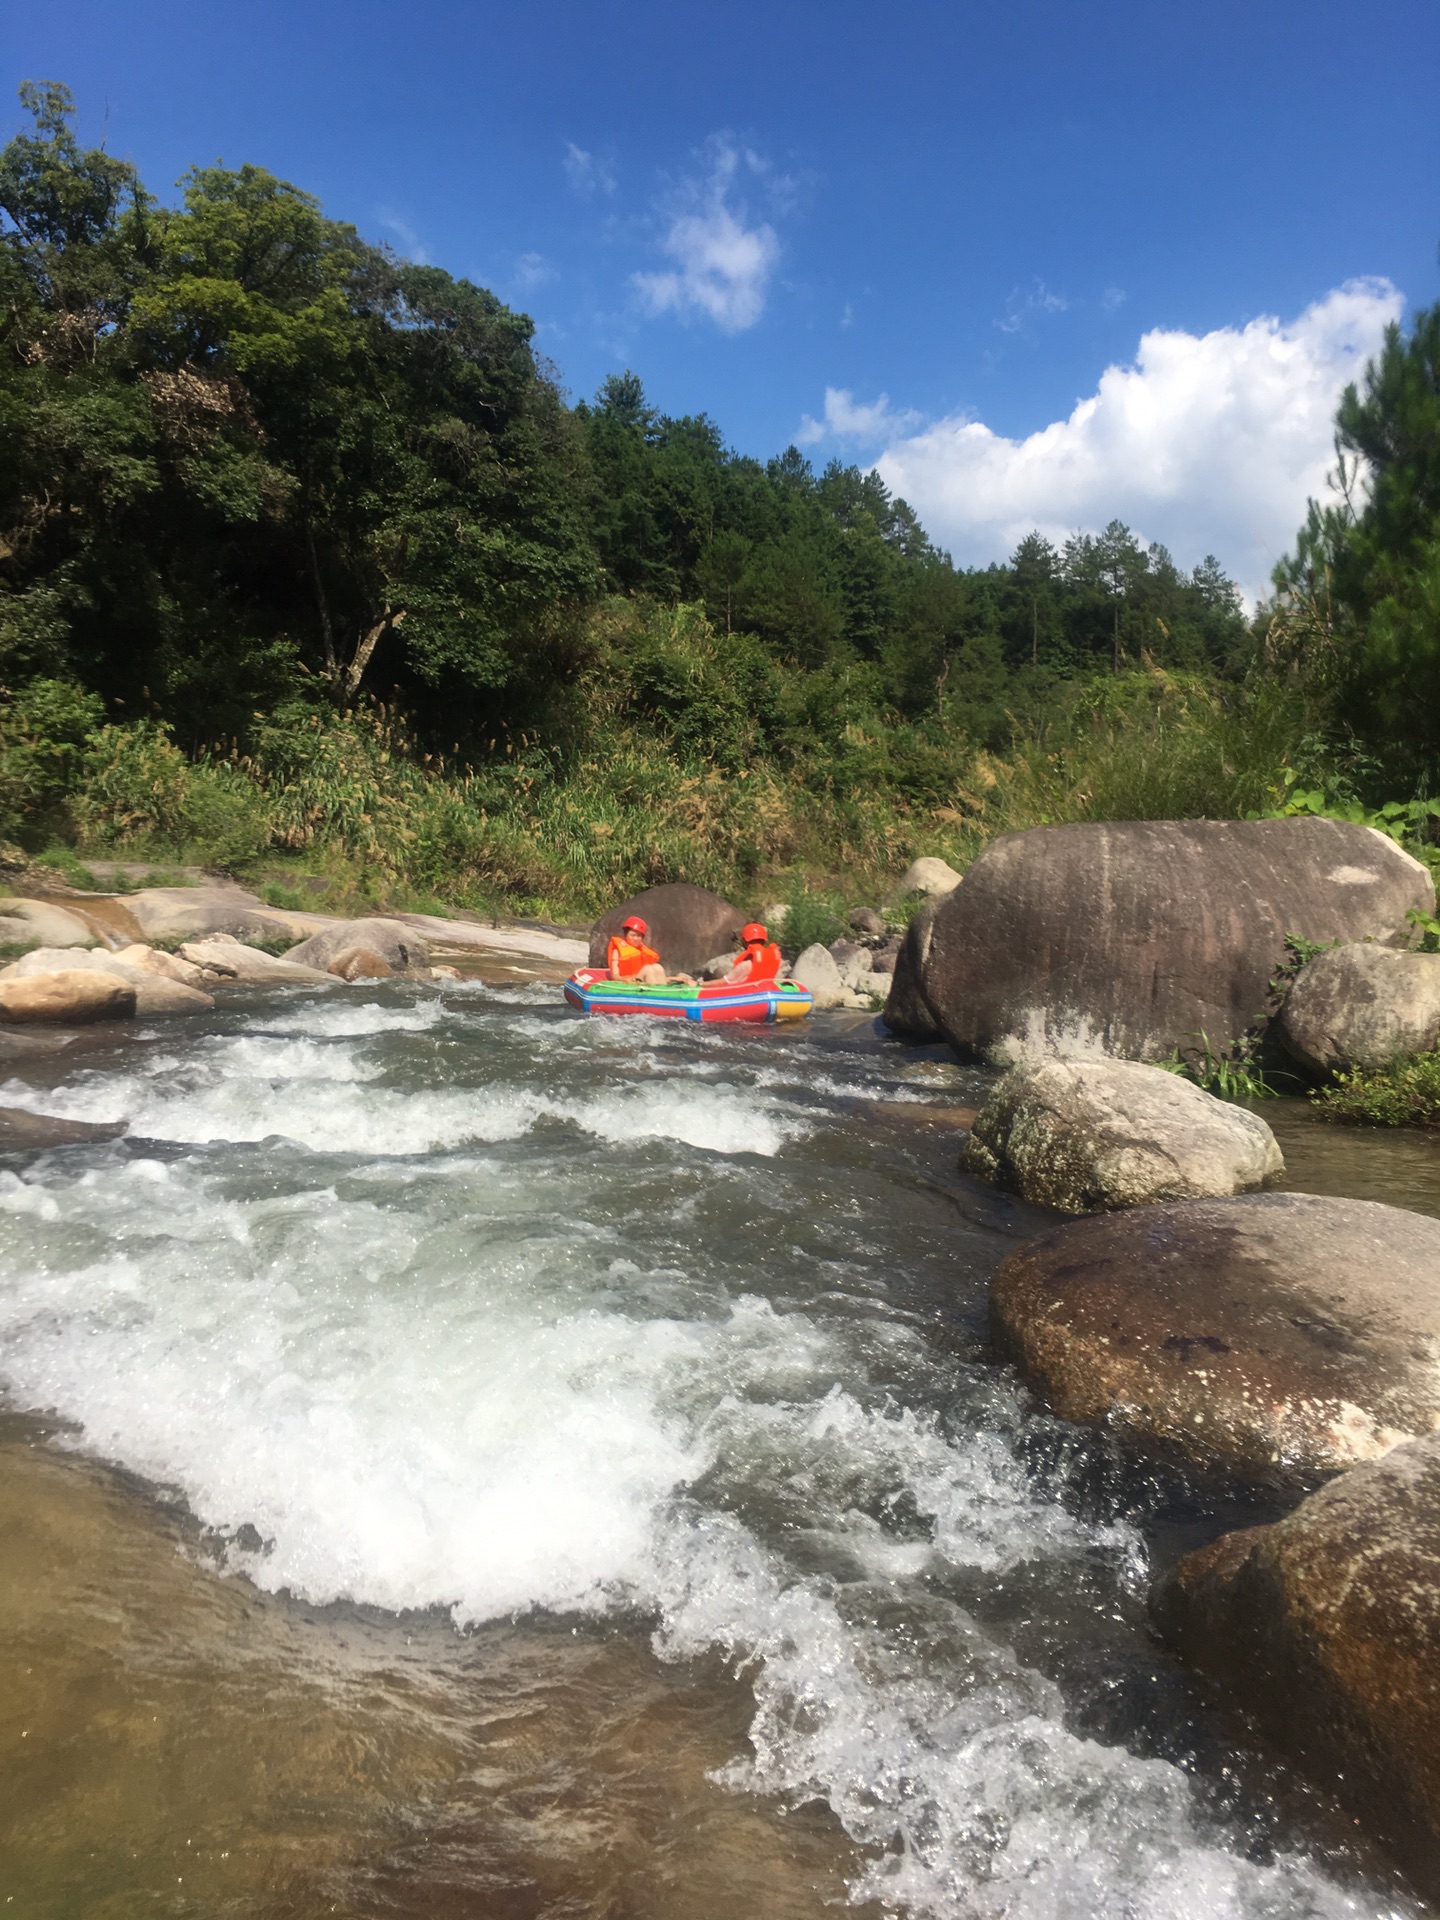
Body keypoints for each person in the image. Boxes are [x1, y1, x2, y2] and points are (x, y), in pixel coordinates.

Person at [606, 916, 695, 986]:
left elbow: (651, 976)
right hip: (628, 982)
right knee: (648, 968)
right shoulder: (617, 951)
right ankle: (655, 994)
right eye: (632, 935)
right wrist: (625, 979)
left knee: (657, 967)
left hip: (640, 980)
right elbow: (614, 975)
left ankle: (662, 993)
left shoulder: (641, 951)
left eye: (639, 936)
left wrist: (673, 978)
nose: (636, 939)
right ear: (626, 935)